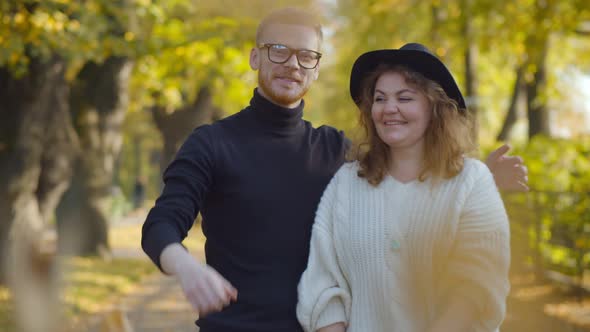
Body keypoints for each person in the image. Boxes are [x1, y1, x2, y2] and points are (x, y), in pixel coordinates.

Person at [141, 8, 524, 332]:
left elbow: (410, 192)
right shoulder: (211, 143)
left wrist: (478, 183)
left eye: (306, 55)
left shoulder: (337, 151)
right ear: (255, 58)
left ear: (316, 68)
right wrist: (186, 269)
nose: (292, 64)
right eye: (279, 51)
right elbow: (161, 223)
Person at [296, 43, 511, 332]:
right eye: (380, 98)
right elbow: (323, 285)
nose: (389, 109)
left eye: (405, 98)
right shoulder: (345, 184)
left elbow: (477, 286)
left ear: (434, 108)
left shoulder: (472, 181)